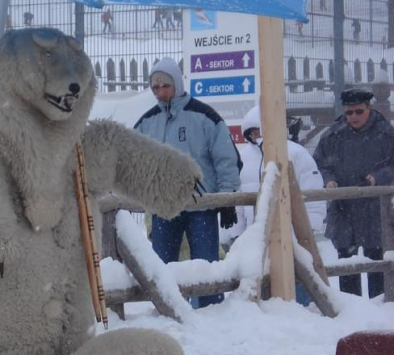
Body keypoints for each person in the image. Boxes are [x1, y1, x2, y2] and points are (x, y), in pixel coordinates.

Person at [134, 57, 241, 308]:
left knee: (206, 269)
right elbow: (132, 162)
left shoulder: (205, 116)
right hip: (164, 209)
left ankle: (211, 314)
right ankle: (168, 316)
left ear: (178, 84)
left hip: (201, 207)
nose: (161, 93)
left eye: (166, 86)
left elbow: (226, 159)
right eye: (156, 88)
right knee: (163, 272)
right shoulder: (145, 123)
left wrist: (227, 199)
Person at [235, 106, 326, 305]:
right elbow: (238, 199)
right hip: (256, 234)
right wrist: (238, 230)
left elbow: (313, 193)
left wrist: (309, 227)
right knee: (261, 275)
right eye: (253, 132)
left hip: (291, 233)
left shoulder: (296, 154)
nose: (257, 136)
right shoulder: (243, 158)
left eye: (261, 130)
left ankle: (302, 307)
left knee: (298, 272)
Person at [314, 88, 394, 298]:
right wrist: (329, 180)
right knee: (347, 265)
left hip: (375, 209)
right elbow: (320, 162)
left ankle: (380, 311)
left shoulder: (386, 134)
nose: (354, 117)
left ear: (369, 108)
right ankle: (351, 311)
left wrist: (379, 177)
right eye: (349, 113)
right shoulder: (333, 134)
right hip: (344, 209)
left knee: (377, 263)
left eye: (359, 111)